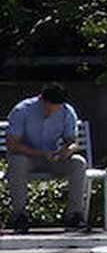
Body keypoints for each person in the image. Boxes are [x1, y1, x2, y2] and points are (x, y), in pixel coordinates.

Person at [6, 83, 89, 232]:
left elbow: (73, 142)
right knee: (17, 162)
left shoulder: (67, 112)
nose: (51, 113)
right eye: (49, 109)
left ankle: (74, 216)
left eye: (56, 109)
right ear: (42, 100)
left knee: (78, 163)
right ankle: (19, 216)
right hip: (28, 157)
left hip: (54, 158)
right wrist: (40, 154)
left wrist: (67, 151)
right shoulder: (22, 110)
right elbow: (12, 145)